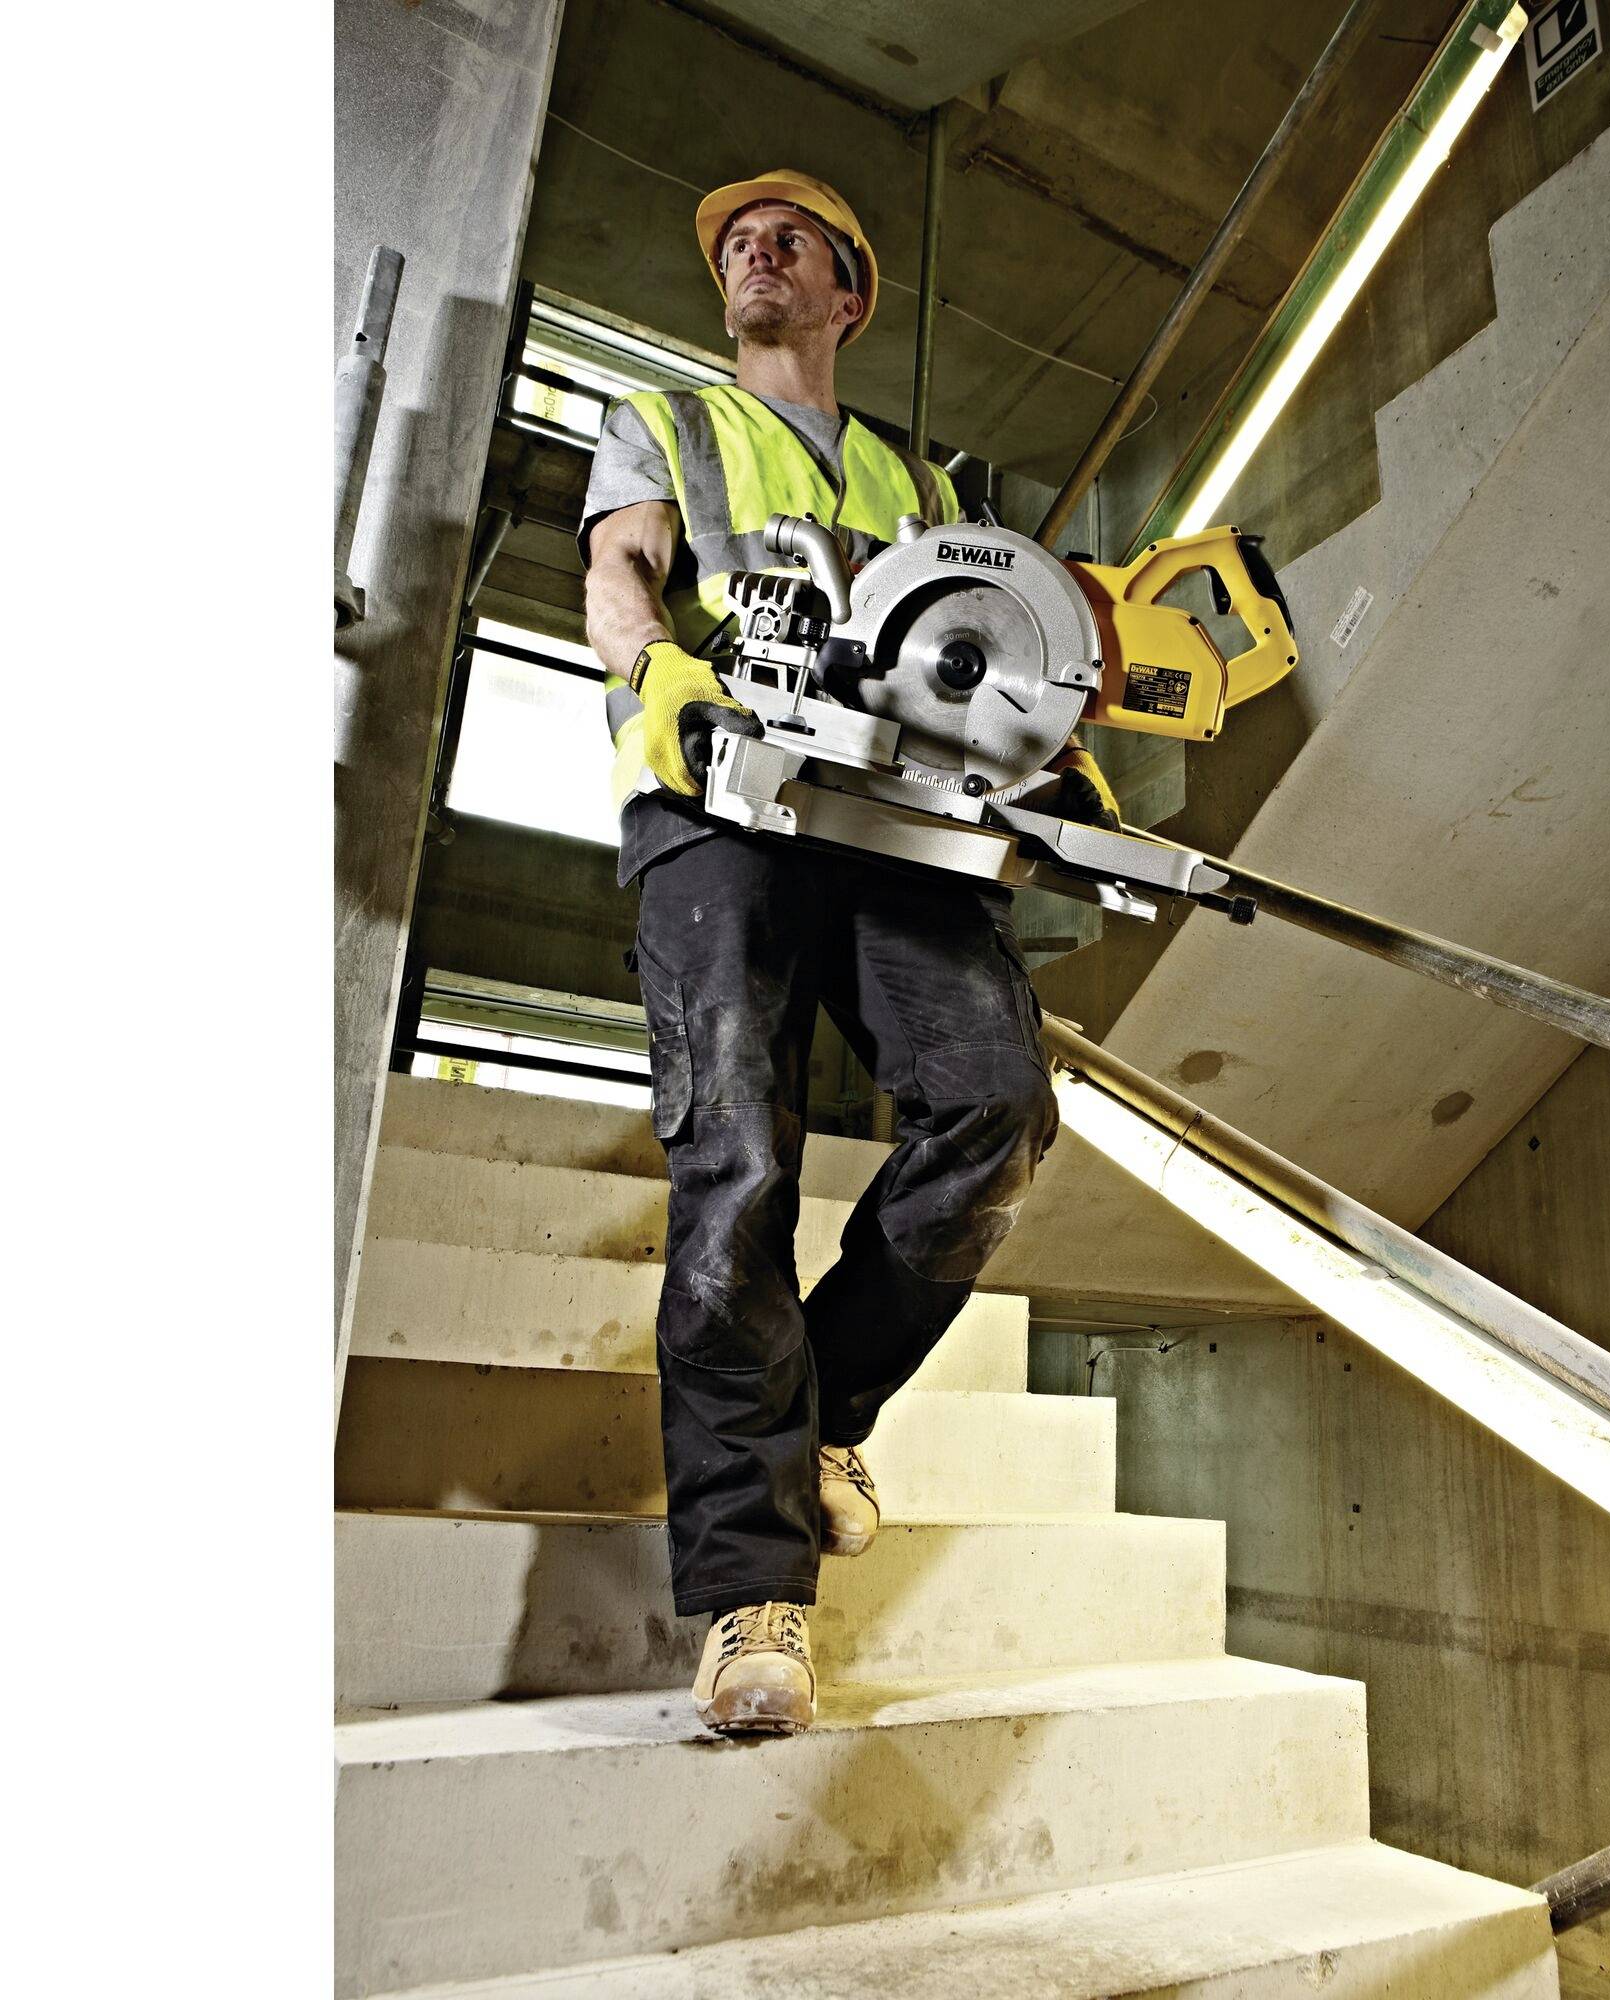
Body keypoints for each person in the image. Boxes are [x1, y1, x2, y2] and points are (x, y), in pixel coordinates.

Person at [577, 170, 1120, 1736]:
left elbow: (998, 655)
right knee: (737, 1161)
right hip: (715, 802)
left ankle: (818, 1411)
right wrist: (656, 671)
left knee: (998, 1104)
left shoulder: (926, 477)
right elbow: (622, 568)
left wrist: (1050, 761)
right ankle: (758, 1595)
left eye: (793, 236)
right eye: (737, 237)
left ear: (849, 292)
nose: (756, 247)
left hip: (897, 827)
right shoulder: (669, 419)